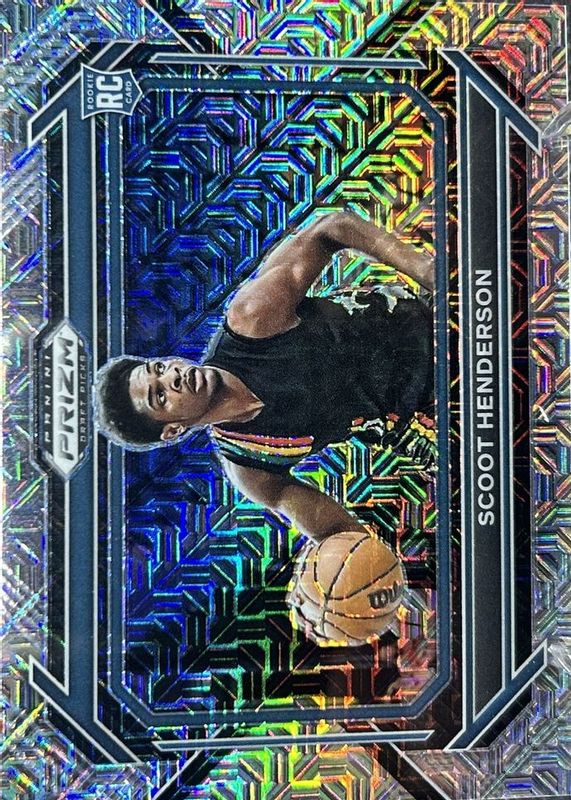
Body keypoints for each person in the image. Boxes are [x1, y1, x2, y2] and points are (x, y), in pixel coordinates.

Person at [96, 211, 435, 542]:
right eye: (160, 396)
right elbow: (338, 535)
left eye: (159, 367)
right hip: (428, 422)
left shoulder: (252, 319)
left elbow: (331, 228)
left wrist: (428, 272)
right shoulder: (251, 468)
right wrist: (357, 565)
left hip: (433, 324)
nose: (173, 377)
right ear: (172, 430)